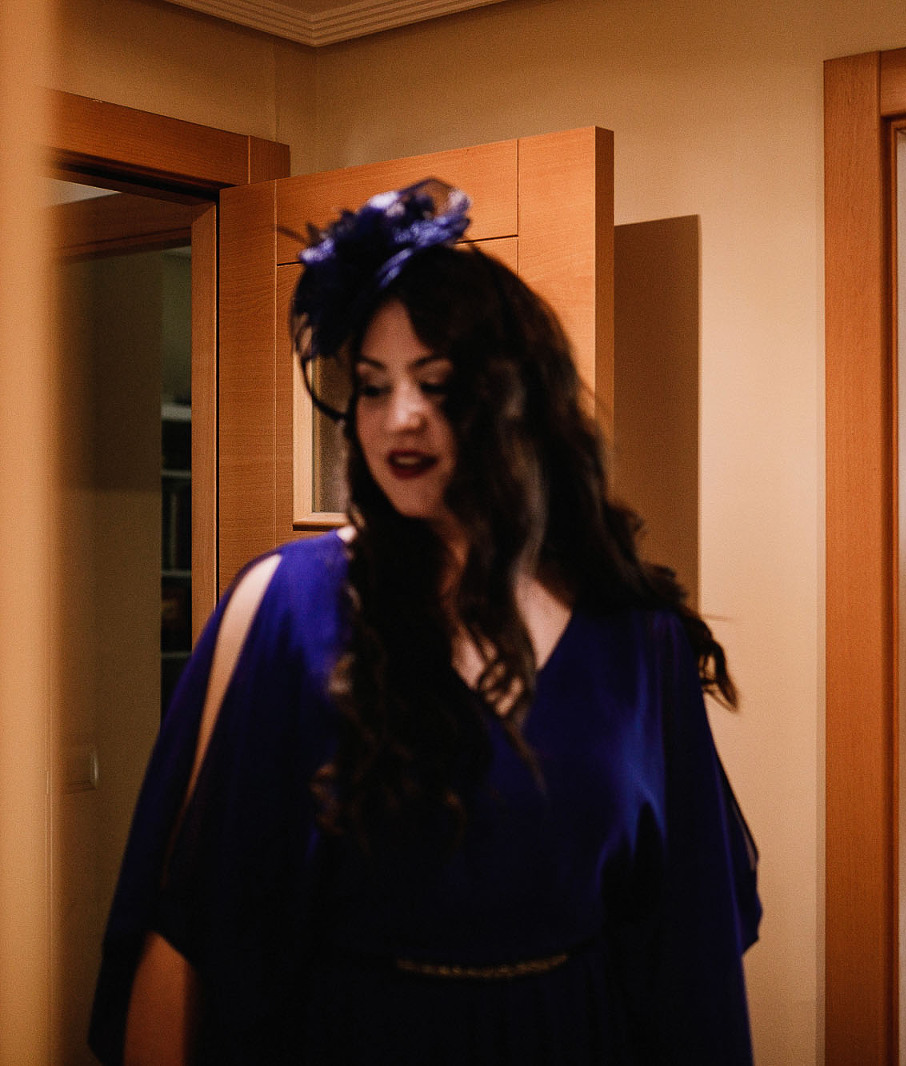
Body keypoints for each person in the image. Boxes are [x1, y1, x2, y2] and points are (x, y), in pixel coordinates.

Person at [89, 180, 760, 1065]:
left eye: (436, 384)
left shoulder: (639, 639)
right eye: (373, 387)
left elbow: (691, 946)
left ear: (521, 405)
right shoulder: (285, 607)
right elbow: (189, 924)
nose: (399, 416)